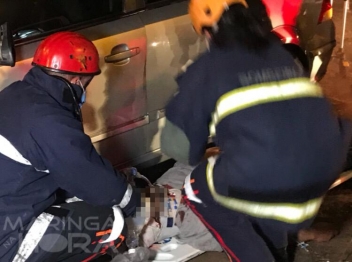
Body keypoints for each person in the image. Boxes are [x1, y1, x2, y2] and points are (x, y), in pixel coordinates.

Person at [160, 0, 352, 261]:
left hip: (278, 174)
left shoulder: (209, 66)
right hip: (324, 166)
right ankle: (277, 253)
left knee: (197, 187)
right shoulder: (280, 54)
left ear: (207, 31)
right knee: (260, 192)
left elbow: (179, 148)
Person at [0, 31, 141, 261]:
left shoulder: (14, 95)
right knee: (112, 221)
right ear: (77, 80)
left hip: (9, 207)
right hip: (7, 238)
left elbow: (64, 172)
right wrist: (137, 203)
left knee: (77, 201)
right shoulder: (50, 121)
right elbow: (95, 181)